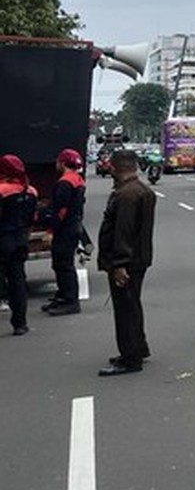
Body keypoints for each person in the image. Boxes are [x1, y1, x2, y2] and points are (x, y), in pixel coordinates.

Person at [97, 148, 156, 375]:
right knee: (132, 305)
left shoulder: (126, 195)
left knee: (125, 309)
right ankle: (138, 348)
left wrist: (119, 264)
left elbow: (123, 231)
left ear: (116, 167)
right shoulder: (141, 190)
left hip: (127, 261)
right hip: (139, 257)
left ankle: (131, 358)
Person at [43, 148, 89, 315]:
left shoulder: (64, 183)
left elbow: (60, 211)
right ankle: (63, 296)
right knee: (62, 264)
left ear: (62, 163)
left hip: (65, 229)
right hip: (74, 227)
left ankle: (70, 301)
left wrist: (50, 231)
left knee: (63, 266)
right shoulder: (78, 180)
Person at [0, 154, 38, 336]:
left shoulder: (2, 190)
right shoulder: (30, 191)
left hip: (3, 239)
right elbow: (32, 219)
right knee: (18, 281)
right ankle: (20, 323)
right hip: (20, 240)